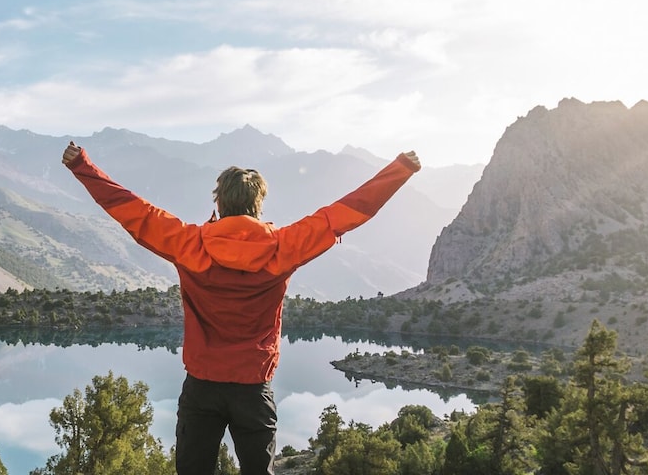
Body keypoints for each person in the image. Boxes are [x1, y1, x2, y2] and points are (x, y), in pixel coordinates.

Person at [61, 141, 420, 474]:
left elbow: (134, 212)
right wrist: (399, 169)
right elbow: (344, 214)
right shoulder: (283, 248)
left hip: (202, 386)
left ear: (219, 203)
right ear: (258, 203)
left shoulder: (190, 245)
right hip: (254, 388)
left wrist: (83, 166)